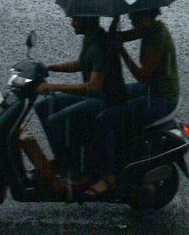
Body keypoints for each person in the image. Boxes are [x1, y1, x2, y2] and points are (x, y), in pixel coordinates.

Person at [87, 8, 179, 199]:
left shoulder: (158, 39)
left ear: (147, 17)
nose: (134, 24)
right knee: (113, 96)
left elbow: (142, 76)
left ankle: (109, 176)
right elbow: (128, 35)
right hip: (152, 90)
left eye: (136, 20)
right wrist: (111, 33)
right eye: (131, 20)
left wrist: (121, 50)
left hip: (161, 98)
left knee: (106, 119)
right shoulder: (150, 29)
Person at [34, 15, 125, 179]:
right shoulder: (90, 37)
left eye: (76, 20)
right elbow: (80, 64)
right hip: (94, 97)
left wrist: (53, 86)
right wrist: (50, 68)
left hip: (105, 101)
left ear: (87, 21)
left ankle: (74, 171)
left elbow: (93, 87)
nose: (72, 23)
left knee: (56, 120)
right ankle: (64, 160)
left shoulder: (102, 44)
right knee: (43, 106)